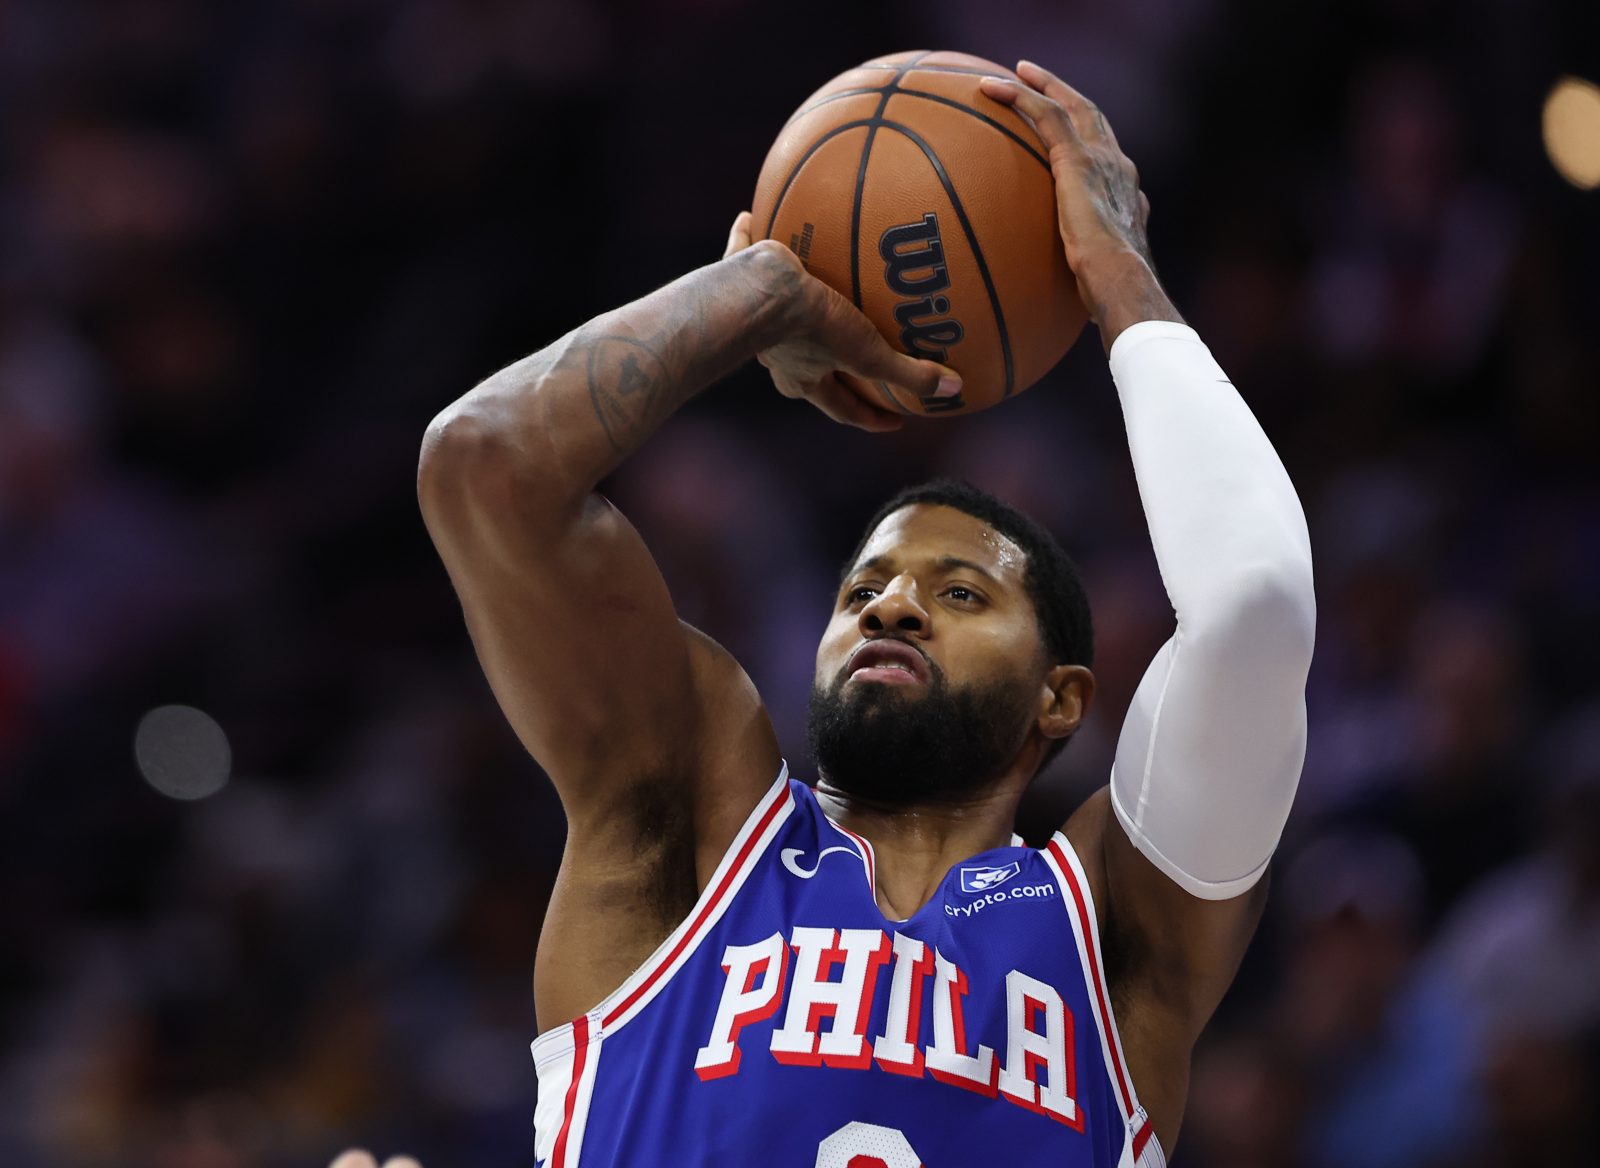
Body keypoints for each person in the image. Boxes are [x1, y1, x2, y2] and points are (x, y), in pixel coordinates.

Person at [409, 60, 1314, 1168]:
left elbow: (1254, 602)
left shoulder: (1117, 931)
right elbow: (484, 467)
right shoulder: (695, 833)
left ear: (1060, 696)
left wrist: (1116, 271)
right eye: (863, 588)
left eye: (960, 592)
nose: (894, 602)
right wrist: (757, 293)